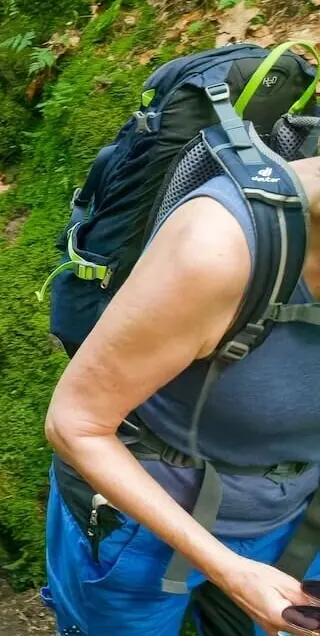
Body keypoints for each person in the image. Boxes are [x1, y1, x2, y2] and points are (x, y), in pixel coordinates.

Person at [43, 152, 320, 635]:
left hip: (291, 518)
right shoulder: (220, 246)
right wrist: (229, 572)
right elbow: (75, 424)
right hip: (138, 526)